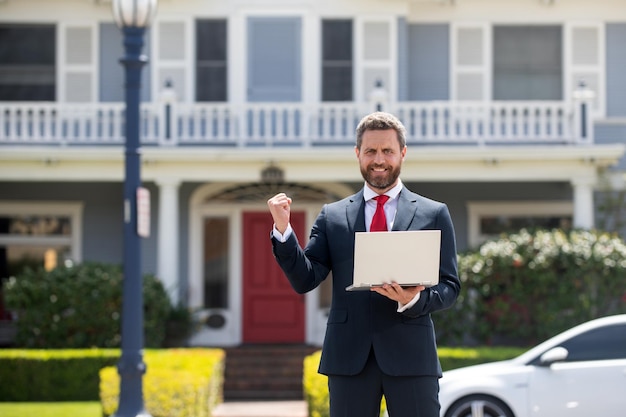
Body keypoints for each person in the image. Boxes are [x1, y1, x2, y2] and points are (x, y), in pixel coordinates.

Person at [267, 111, 460, 417]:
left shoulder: (433, 213)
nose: (379, 159)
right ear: (358, 154)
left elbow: (450, 286)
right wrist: (283, 231)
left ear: (403, 154)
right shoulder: (333, 216)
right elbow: (306, 279)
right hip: (348, 357)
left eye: (387, 151)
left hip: (412, 355)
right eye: (370, 151)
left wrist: (415, 299)